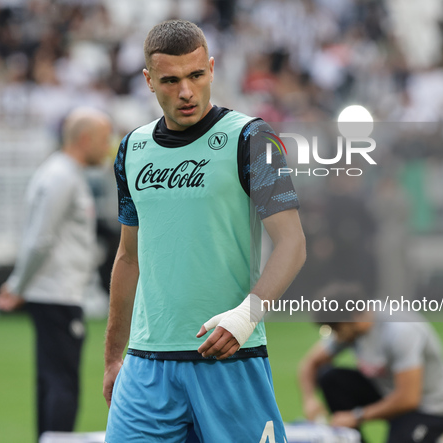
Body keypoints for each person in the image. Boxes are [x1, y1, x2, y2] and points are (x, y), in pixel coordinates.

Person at [103, 19, 306, 443]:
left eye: (196, 75)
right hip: (146, 365)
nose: (186, 92)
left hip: (229, 355)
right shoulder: (132, 149)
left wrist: (245, 317)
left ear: (211, 68)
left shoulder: (253, 138)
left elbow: (292, 244)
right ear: (148, 81)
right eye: (170, 80)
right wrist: (112, 359)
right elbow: (128, 257)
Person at [0, 107, 112, 439]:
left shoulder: (61, 173)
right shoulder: (61, 177)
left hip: (54, 292)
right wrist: (18, 285)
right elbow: (40, 239)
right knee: (62, 383)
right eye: (104, 140)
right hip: (58, 293)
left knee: (51, 380)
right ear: (85, 139)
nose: (107, 148)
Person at [299, 283, 443, 443]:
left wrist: (355, 416)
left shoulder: (399, 331)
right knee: (330, 378)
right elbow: (311, 363)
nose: (334, 336)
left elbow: (409, 398)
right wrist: (310, 399)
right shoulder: (350, 328)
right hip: (386, 390)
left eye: (335, 329)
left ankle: (437, 437)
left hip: (427, 406)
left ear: (354, 317)